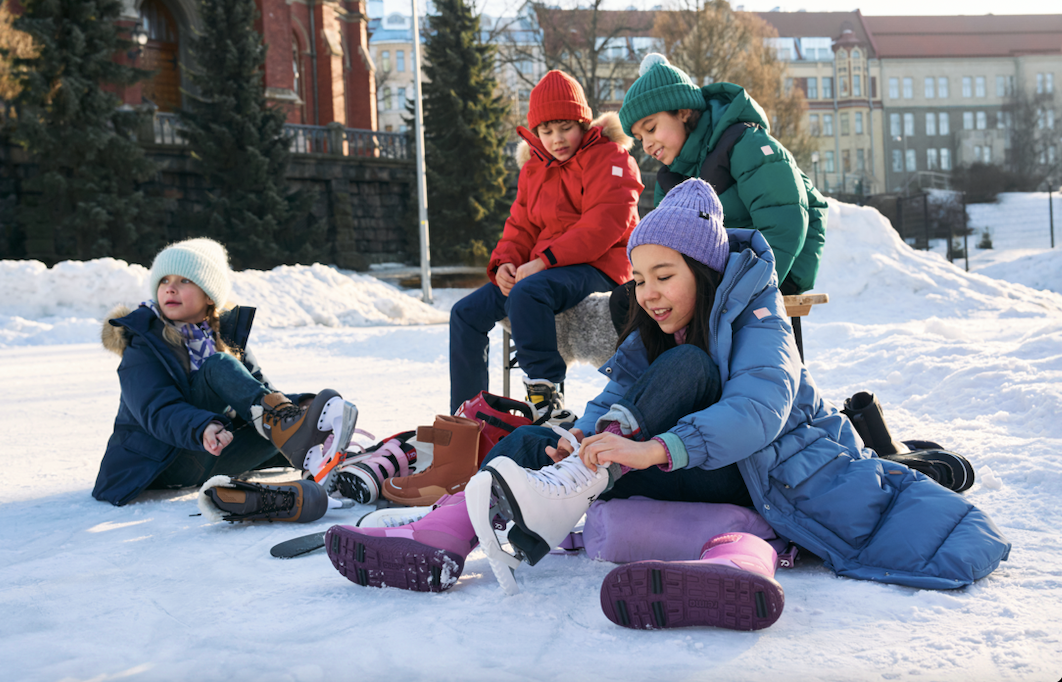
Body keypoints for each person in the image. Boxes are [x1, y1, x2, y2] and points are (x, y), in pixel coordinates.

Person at [324, 179, 1010, 629]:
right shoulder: (652, 329)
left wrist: (649, 449)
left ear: (704, 271)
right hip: (682, 466)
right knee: (536, 443)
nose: (649, 293)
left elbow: (757, 411)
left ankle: (606, 500)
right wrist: (585, 440)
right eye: (640, 278)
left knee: (683, 368)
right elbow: (615, 394)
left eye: (664, 276)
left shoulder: (758, 320)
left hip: (761, 473)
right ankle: (442, 542)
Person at [94, 237, 345, 517]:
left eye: (185, 280)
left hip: (214, 451)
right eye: (164, 280)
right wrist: (202, 426)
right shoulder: (143, 342)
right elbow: (157, 410)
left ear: (209, 295)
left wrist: (301, 407)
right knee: (218, 365)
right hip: (162, 462)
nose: (171, 288)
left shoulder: (224, 336)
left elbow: (259, 392)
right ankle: (300, 441)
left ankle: (332, 470)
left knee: (276, 426)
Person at [448, 70, 643, 416]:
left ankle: (545, 400)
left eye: (565, 127)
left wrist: (543, 261)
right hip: (547, 269)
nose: (557, 139)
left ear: (583, 123)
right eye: (546, 131)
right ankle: (468, 413)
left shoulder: (610, 157)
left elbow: (605, 224)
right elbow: (520, 226)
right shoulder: (534, 169)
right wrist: (505, 264)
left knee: (528, 292)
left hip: (600, 266)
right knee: (465, 313)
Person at [607, 52, 829, 331]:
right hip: (720, 268)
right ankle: (659, 373)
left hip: (778, 264)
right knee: (626, 303)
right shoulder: (671, 178)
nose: (647, 144)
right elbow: (663, 246)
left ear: (683, 112)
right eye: (640, 138)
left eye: (651, 128)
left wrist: (749, 288)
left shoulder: (744, 142)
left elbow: (784, 220)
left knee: (695, 305)